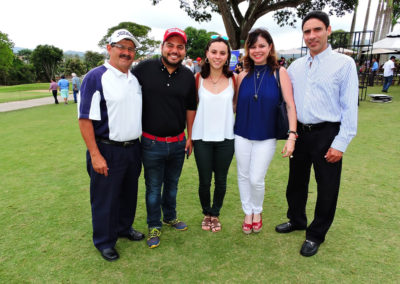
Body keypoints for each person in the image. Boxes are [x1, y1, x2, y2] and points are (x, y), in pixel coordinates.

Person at [275, 11, 358, 257]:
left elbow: (349, 108)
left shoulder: (344, 64)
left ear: (328, 30)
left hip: (328, 133)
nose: (312, 36)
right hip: (300, 132)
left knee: (327, 187)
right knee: (296, 182)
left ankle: (316, 234)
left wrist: (340, 143)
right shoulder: (295, 67)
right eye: (307, 31)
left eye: (317, 30)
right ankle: (297, 219)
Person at [78, 29, 144, 261]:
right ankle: (105, 241)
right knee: (105, 198)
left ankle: (124, 228)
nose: (126, 52)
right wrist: (95, 154)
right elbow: (85, 119)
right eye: (121, 47)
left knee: (128, 194)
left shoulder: (134, 79)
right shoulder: (96, 77)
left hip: (133, 148)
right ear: (109, 48)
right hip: (106, 148)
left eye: (130, 48)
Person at [132, 28, 197, 249]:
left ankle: (170, 216)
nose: (174, 50)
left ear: (184, 51)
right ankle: (154, 225)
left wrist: (190, 137)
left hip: (179, 142)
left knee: (172, 185)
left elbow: (190, 107)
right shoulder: (143, 69)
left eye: (180, 47)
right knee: (153, 188)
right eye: (170, 45)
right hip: (151, 143)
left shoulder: (188, 75)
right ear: (162, 47)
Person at [234, 28, 297, 235]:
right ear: (248, 49)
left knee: (255, 178)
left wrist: (292, 135)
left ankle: (257, 211)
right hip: (241, 133)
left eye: (262, 46)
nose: (257, 50)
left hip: (266, 136)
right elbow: (234, 106)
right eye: (253, 46)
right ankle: (247, 212)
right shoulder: (242, 75)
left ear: (270, 47)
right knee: (243, 175)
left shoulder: (280, 73)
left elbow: (290, 105)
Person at [192, 36, 237, 233]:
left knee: (221, 180)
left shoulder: (234, 79)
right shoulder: (197, 79)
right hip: (201, 138)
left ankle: (215, 214)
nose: (217, 56)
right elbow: (191, 109)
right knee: (204, 181)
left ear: (227, 56)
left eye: (222, 52)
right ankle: (206, 213)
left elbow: (236, 106)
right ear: (207, 55)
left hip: (226, 138)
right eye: (214, 52)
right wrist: (188, 136)